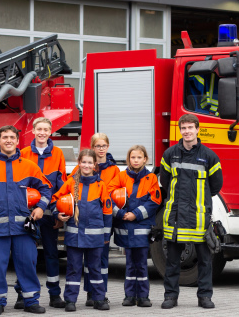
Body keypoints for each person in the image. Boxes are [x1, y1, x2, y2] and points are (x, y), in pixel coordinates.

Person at [0, 125, 52, 315]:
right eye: (4, 137)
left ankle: (31, 300)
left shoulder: (29, 166)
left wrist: (41, 207)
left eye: (12, 137)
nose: (8, 140)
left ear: (17, 141)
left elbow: (46, 189)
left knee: (27, 264)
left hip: (23, 228)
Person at [159, 114, 223, 310]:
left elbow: (216, 186)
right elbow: (165, 182)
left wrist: (198, 201)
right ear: (181, 130)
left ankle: (204, 296)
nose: (187, 131)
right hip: (175, 216)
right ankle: (170, 296)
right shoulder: (170, 154)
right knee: (171, 261)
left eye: (190, 128)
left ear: (197, 129)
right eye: (183, 128)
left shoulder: (210, 156)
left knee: (205, 260)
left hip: (199, 218)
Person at [14, 117, 67, 309]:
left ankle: (54, 294)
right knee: (25, 255)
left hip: (49, 213)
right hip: (28, 213)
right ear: (33, 131)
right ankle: (21, 294)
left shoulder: (58, 153)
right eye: (39, 129)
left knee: (52, 254)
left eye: (46, 129)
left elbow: (61, 185)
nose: (42, 133)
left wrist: (58, 212)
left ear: (50, 132)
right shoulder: (24, 153)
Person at [53, 149, 113, 312]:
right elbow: (56, 200)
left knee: (95, 269)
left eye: (89, 163)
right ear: (79, 163)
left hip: (95, 239)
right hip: (74, 237)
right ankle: (70, 300)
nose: (86, 165)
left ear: (95, 165)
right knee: (73, 269)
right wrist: (57, 214)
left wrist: (106, 235)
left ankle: (99, 299)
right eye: (83, 162)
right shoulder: (71, 183)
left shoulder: (101, 186)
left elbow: (107, 213)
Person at [69, 133, 119, 305]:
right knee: (82, 265)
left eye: (103, 145)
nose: (101, 149)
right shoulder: (79, 172)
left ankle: (99, 294)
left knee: (99, 263)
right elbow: (67, 193)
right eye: (97, 146)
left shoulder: (113, 170)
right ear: (92, 147)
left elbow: (112, 194)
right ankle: (90, 294)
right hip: (81, 226)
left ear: (108, 146)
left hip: (99, 224)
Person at [108, 145, 161, 308]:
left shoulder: (151, 178)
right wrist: (120, 213)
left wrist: (134, 214)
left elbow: (154, 201)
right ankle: (129, 296)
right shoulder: (121, 176)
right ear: (128, 159)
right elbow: (109, 196)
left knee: (142, 264)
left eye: (139, 157)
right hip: (126, 228)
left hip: (142, 229)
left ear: (145, 159)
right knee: (130, 264)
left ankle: (143, 296)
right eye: (133, 157)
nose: (136, 160)